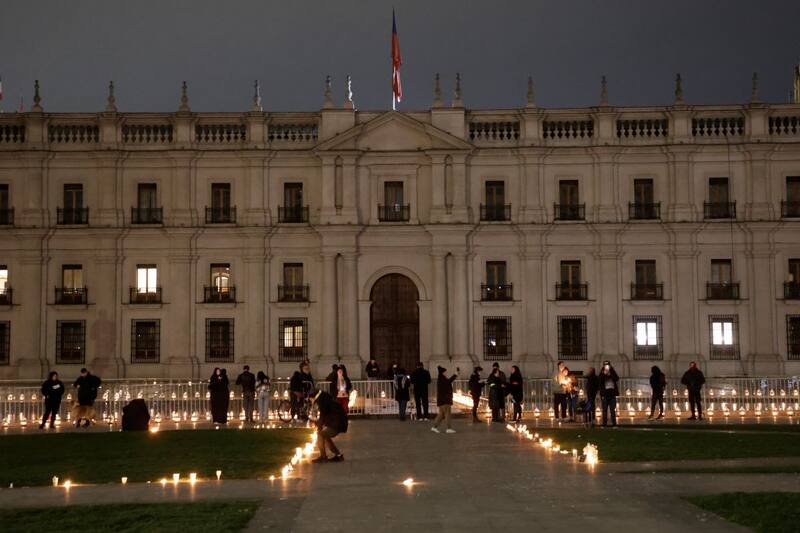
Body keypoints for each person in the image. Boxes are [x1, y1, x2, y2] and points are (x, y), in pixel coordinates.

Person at [310, 389, 347, 463]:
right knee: (325, 435)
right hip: (339, 423)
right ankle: (338, 455)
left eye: (310, 399)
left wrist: (318, 426)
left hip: (337, 424)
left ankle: (323, 457)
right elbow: (324, 416)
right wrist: (318, 424)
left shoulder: (322, 402)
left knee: (320, 434)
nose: (311, 401)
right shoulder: (325, 400)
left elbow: (323, 416)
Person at [431, 366, 458, 434]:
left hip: (442, 400)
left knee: (441, 414)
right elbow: (448, 382)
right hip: (445, 400)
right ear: (443, 372)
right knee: (447, 414)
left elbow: (448, 382)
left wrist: (455, 374)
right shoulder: (442, 379)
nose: (446, 373)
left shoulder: (441, 379)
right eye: (445, 372)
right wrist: (455, 374)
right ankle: (449, 428)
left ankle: (434, 427)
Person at [599, 361, 619, 427]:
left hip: (612, 394)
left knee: (612, 410)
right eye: (605, 365)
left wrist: (610, 374)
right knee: (604, 410)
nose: (606, 367)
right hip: (605, 394)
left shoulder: (612, 371)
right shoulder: (602, 372)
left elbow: (616, 378)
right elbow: (600, 380)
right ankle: (604, 424)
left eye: (608, 365)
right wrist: (604, 374)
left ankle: (614, 424)